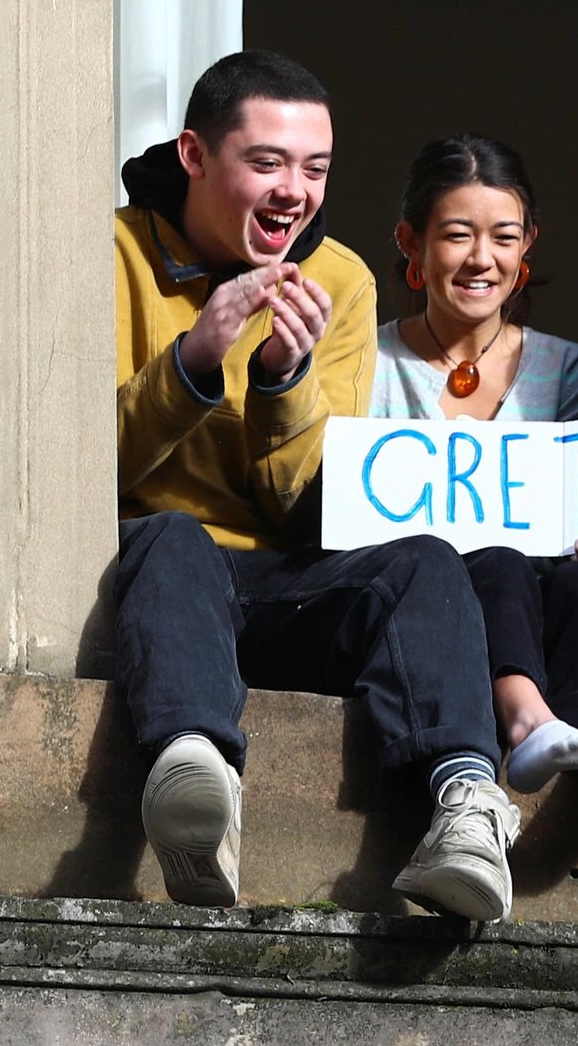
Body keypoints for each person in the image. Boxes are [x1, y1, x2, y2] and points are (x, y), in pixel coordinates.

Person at [115, 51, 519, 922]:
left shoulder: (338, 278)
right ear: (195, 154)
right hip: (156, 576)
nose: (295, 190)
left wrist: (278, 379)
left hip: (281, 579)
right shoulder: (112, 253)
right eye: (267, 163)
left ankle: (468, 809)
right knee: (175, 535)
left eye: (315, 168)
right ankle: (195, 779)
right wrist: (190, 362)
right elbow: (85, 468)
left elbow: (304, 504)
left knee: (422, 560)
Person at [370, 133, 578, 804]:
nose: (482, 259)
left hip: (538, 595)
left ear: (528, 244)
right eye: (457, 235)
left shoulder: (567, 369)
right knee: (499, 559)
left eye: (504, 237)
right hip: (424, 604)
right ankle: (527, 721)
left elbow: (575, 502)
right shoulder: (366, 365)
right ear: (411, 243)